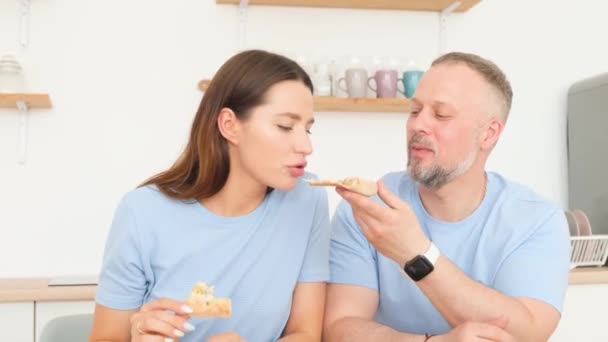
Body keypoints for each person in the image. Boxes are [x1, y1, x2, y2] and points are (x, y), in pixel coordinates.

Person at [324, 52, 570, 342]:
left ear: (489, 134)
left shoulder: (536, 220)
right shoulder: (368, 207)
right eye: (415, 111)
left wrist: (416, 253)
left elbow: (525, 334)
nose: (418, 125)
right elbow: (339, 328)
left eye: (441, 115)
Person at [89, 49, 330, 342]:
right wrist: (138, 334)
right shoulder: (142, 211)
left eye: (308, 129)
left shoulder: (307, 200)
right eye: (285, 126)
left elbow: (306, 333)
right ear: (229, 125)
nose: (306, 146)